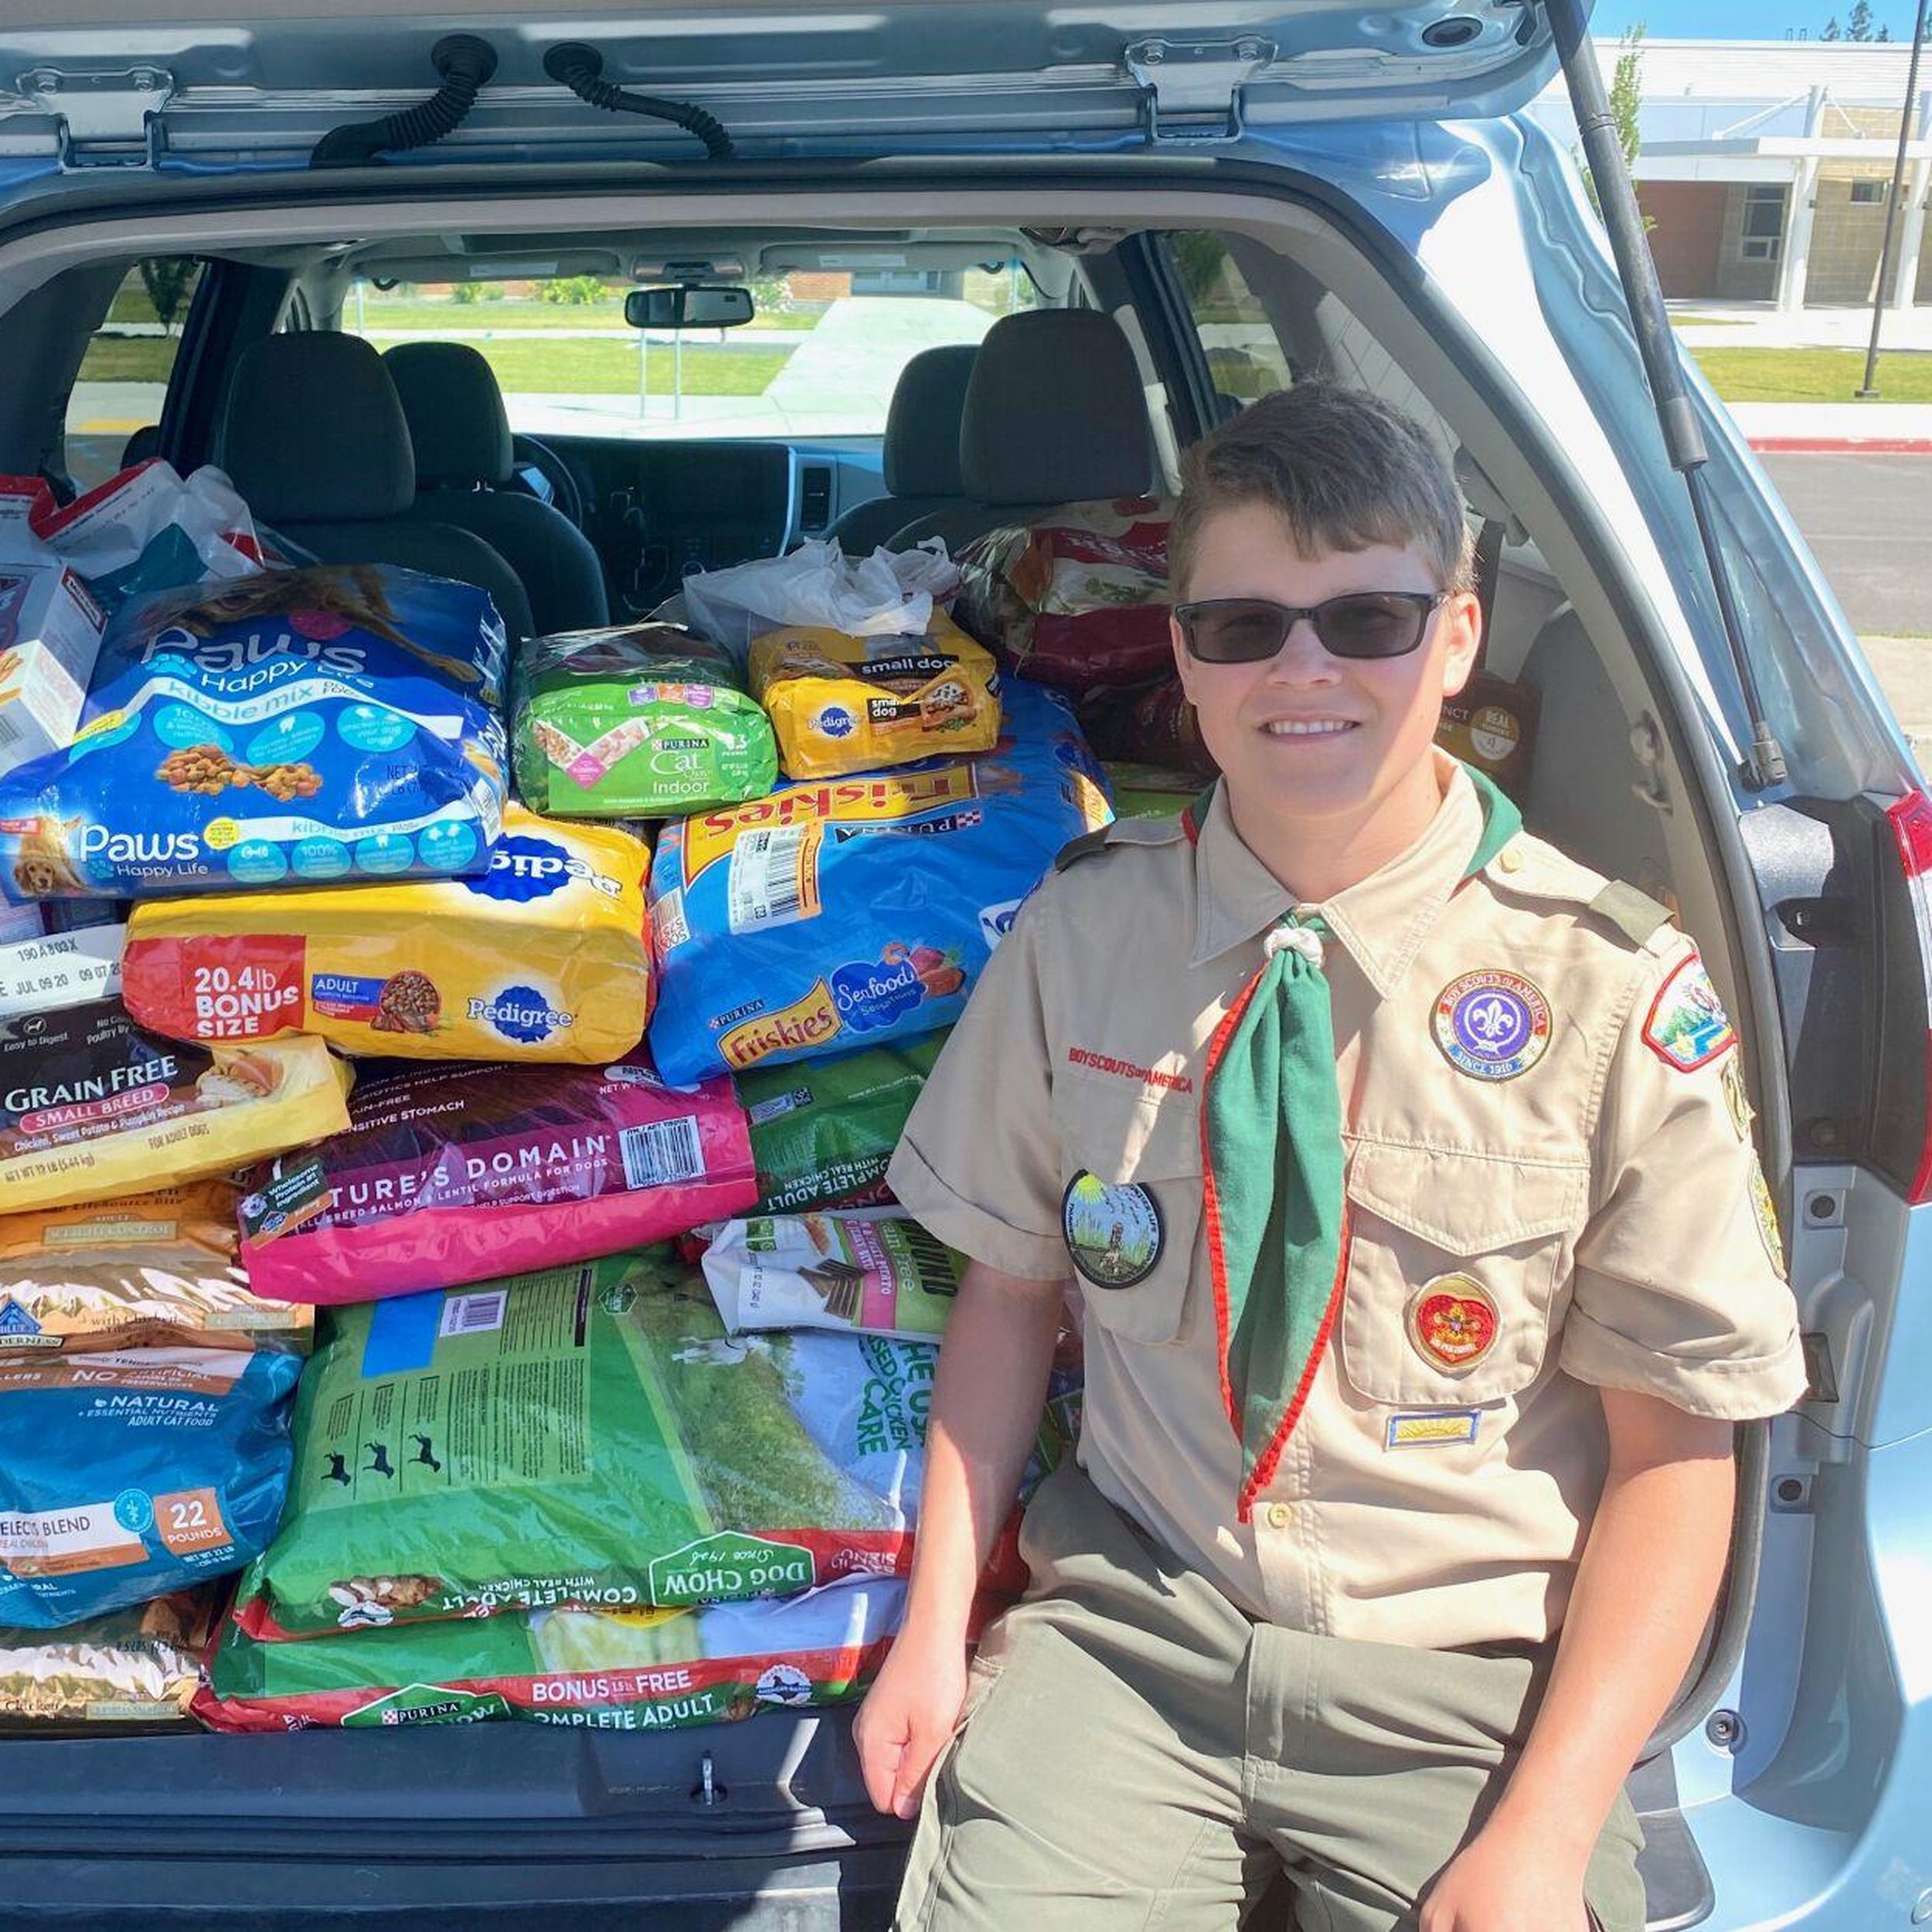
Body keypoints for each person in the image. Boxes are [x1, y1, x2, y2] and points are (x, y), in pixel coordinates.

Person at [855, 382, 1806, 1932]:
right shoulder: (1084, 931)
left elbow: (1671, 1456)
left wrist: (1545, 1831)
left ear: (1453, 636)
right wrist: (933, 1622)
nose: (1302, 669)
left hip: (1464, 1690)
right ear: (1178, 654)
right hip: (1134, 1639)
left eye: (1363, 617)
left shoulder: (1607, 986)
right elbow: (1007, 1299)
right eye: (1241, 628)